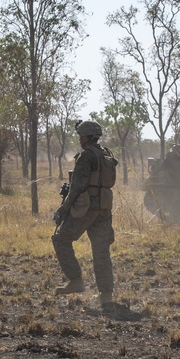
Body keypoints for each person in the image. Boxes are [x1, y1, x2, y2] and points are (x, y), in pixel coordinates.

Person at [52, 119, 118, 307]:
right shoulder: (105, 155)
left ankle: (75, 280)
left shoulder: (86, 156)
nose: (79, 139)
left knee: (61, 239)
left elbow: (77, 187)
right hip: (104, 207)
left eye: (81, 135)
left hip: (86, 207)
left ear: (86, 137)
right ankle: (106, 294)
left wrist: (63, 210)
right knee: (101, 250)